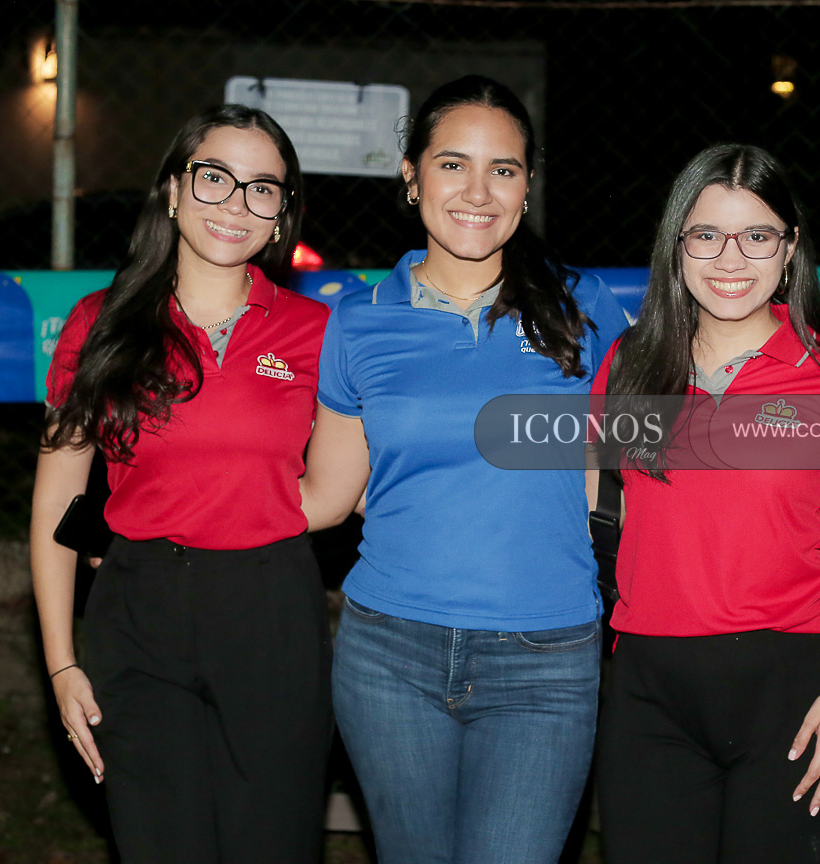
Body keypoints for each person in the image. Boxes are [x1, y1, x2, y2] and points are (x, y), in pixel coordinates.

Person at [298, 75, 627, 864]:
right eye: (453, 164)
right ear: (411, 177)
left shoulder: (584, 308)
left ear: (526, 187)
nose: (478, 191)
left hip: (546, 655)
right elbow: (325, 498)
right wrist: (156, 511)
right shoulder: (360, 322)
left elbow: (640, 467)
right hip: (389, 654)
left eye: (502, 169)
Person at [592, 143, 820, 864]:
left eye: (757, 236)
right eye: (707, 235)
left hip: (796, 692)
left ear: (790, 248)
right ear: (677, 245)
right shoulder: (629, 364)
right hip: (648, 691)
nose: (730, 259)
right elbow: (594, 507)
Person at [30, 104, 333, 864]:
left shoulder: (316, 331)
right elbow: (58, 501)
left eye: (262, 188)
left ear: (282, 213)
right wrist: (61, 663)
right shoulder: (99, 323)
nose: (236, 203)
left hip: (271, 611)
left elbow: (350, 483)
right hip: (138, 611)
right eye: (214, 178)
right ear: (173, 189)